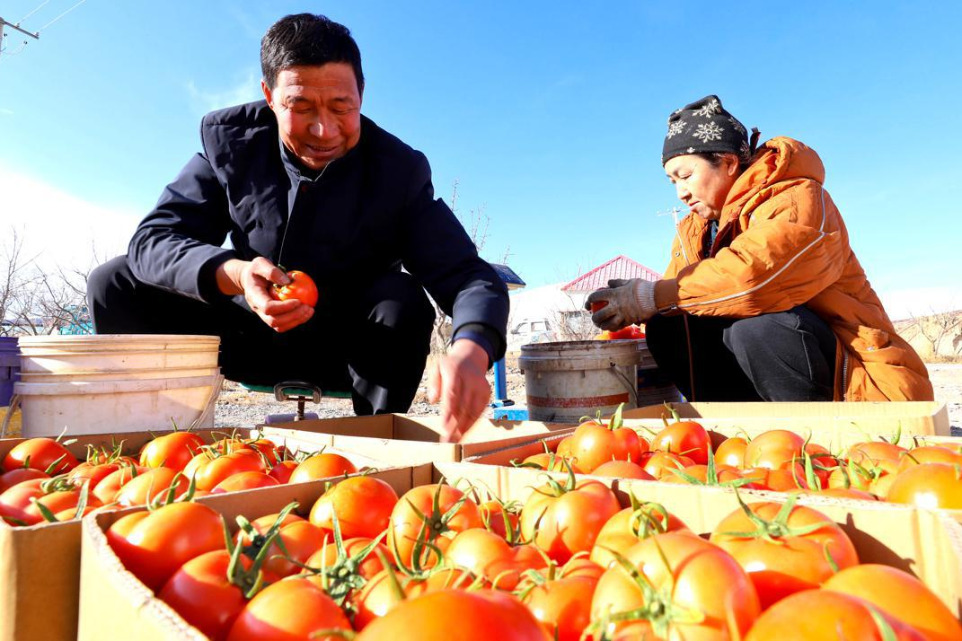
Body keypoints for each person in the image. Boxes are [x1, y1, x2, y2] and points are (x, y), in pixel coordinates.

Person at [86, 13, 509, 441]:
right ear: (270, 96)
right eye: (301, 106)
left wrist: (471, 350)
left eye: (342, 107)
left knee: (402, 297)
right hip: (244, 336)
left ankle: (379, 446)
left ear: (361, 94)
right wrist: (235, 274)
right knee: (114, 281)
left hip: (350, 352)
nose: (324, 130)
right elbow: (153, 241)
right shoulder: (231, 145)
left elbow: (468, 275)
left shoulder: (398, 171)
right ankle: (152, 443)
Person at [587, 95, 932, 403]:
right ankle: (731, 431)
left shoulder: (795, 199)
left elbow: (754, 278)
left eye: (686, 175)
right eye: (673, 181)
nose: (681, 192)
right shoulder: (694, 229)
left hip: (861, 381)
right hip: (772, 374)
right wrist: (636, 305)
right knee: (670, 327)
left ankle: (814, 439)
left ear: (727, 162)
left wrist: (650, 296)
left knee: (759, 326)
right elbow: (674, 297)